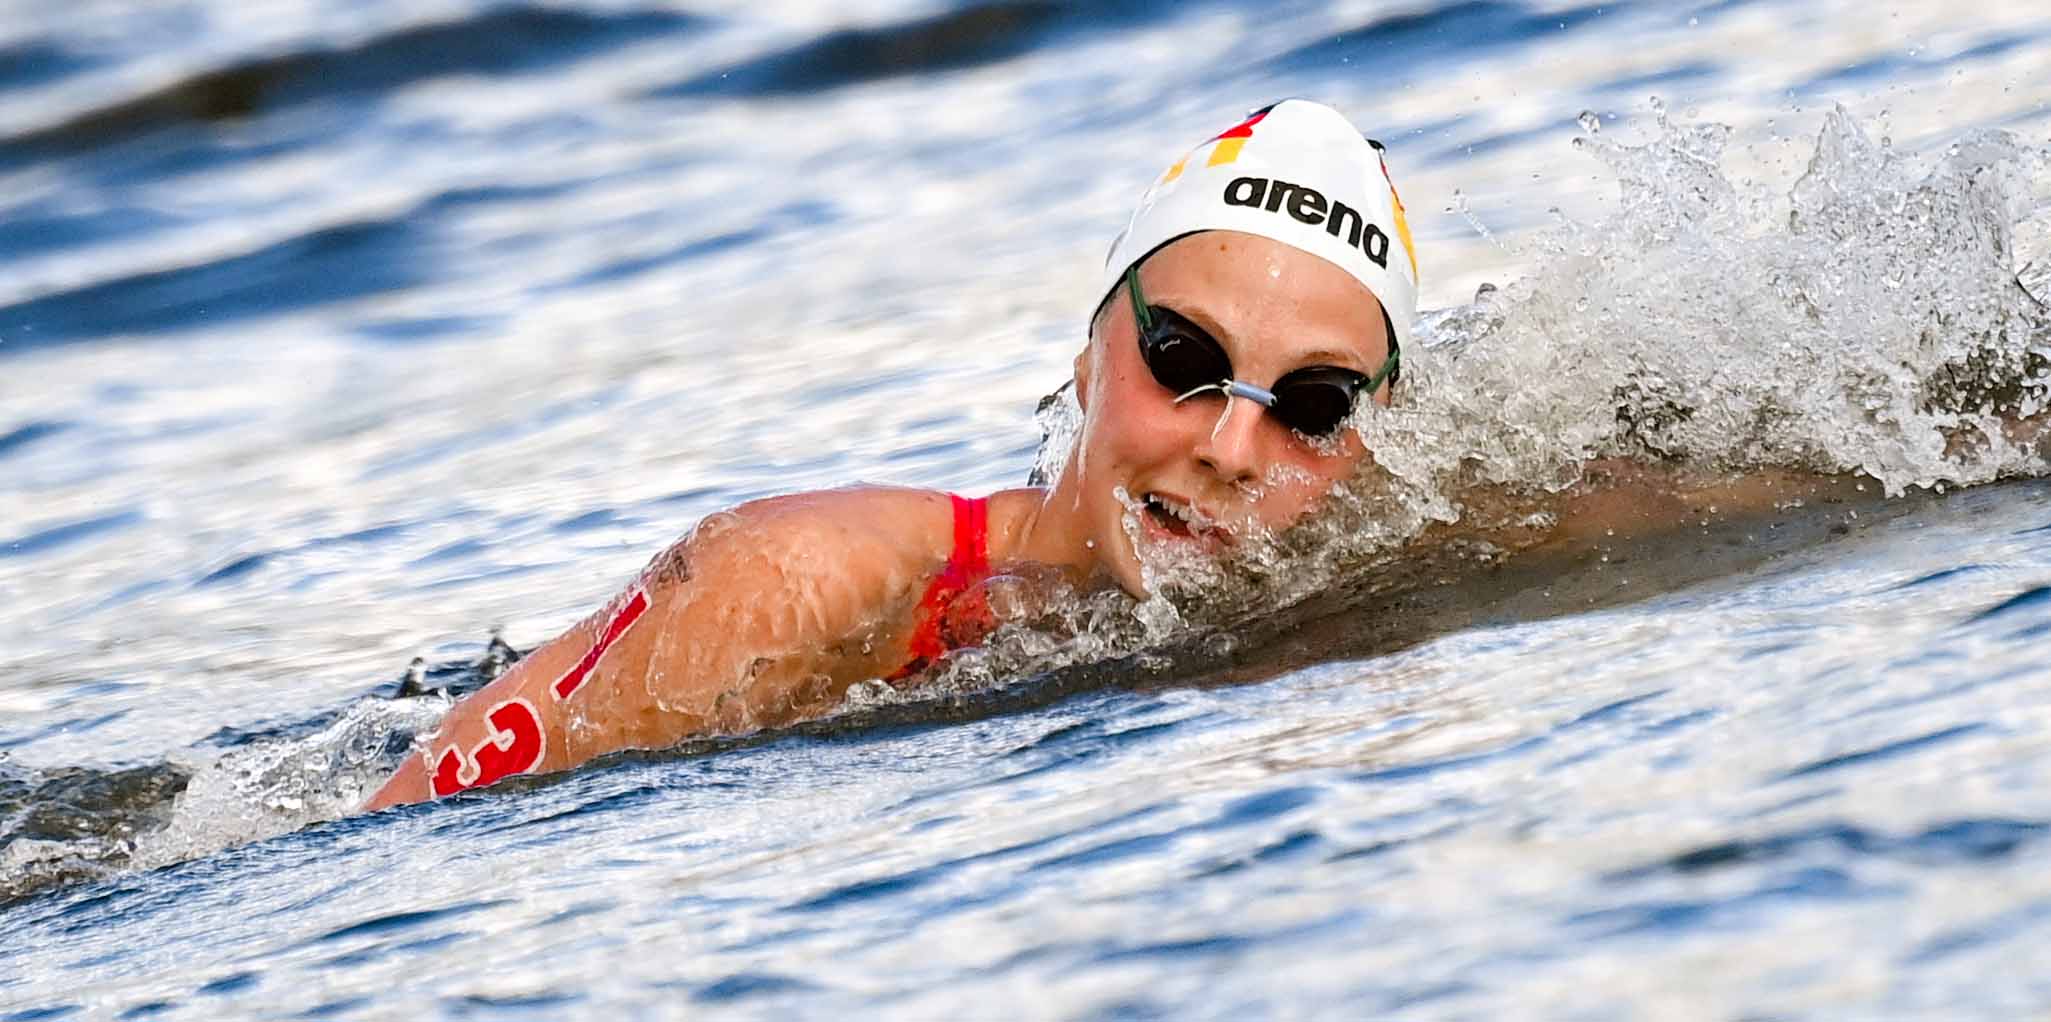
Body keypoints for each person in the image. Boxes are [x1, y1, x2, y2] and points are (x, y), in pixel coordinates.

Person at [358, 99, 1830, 811]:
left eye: (1313, 405)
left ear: (1369, 445)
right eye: (1184, 361)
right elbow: (430, 852)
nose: (1235, 446)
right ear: (1086, 356)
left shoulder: (1385, 538)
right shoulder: (805, 587)